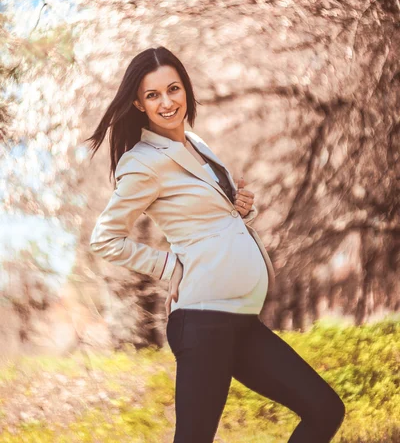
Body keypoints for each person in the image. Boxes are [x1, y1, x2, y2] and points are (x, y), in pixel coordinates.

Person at [86, 46, 345, 442]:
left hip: (241, 320)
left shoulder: (197, 144)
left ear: (185, 89)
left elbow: (212, 219)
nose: (167, 102)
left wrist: (242, 208)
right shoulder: (142, 162)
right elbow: (105, 238)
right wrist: (168, 266)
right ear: (138, 103)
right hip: (203, 322)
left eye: (173, 89)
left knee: (325, 409)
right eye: (153, 95)